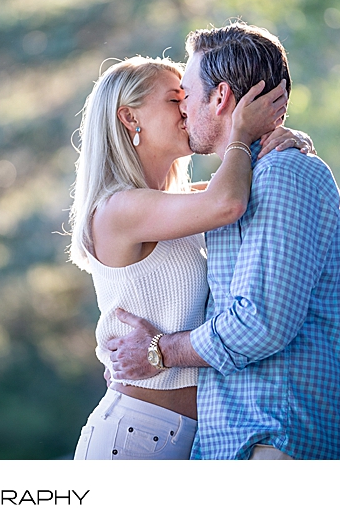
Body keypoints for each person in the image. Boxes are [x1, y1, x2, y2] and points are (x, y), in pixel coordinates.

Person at [107, 21, 340, 460]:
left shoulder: (284, 174)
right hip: (242, 446)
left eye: (184, 95)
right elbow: (219, 200)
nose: (182, 110)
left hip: (277, 442)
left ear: (222, 97)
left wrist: (160, 351)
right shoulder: (238, 187)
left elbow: (258, 323)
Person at [68, 55, 312, 460]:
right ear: (130, 119)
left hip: (190, 438)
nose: (187, 108)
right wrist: (240, 131)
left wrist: (285, 140)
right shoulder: (117, 210)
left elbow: (234, 191)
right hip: (134, 437)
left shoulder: (176, 205)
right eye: (172, 99)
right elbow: (228, 202)